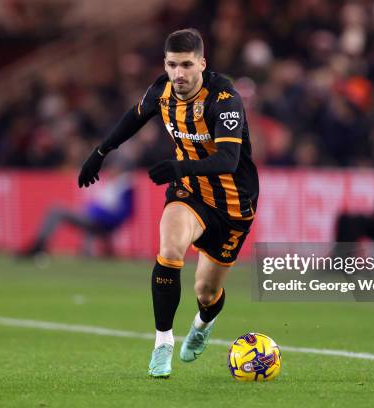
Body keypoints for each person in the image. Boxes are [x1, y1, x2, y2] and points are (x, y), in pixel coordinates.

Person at [78, 28, 259, 378]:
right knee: (170, 250)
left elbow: (228, 159)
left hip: (233, 205)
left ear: (202, 64)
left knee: (206, 292)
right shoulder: (161, 90)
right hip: (188, 191)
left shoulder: (224, 99)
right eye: (172, 64)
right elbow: (134, 116)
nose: (179, 73)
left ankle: (202, 325)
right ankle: (163, 342)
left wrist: (179, 165)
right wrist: (100, 153)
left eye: (187, 65)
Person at [20, 162, 134, 258]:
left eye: (113, 169)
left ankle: (39, 245)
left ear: (119, 170)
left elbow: (125, 212)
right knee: (82, 224)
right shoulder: (114, 185)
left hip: (98, 220)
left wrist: (102, 218)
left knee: (56, 210)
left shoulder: (124, 186)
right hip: (97, 219)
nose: (110, 171)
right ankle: (89, 253)